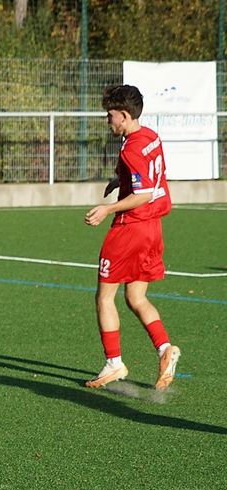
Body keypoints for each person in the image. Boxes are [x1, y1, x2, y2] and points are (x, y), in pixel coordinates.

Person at [84, 84, 180, 389]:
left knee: (104, 297)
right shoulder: (150, 136)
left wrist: (107, 209)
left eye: (110, 115)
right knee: (136, 297)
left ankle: (114, 363)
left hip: (130, 229)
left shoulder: (131, 148)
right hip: (153, 229)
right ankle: (164, 349)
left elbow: (143, 193)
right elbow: (147, 177)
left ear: (124, 115)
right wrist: (120, 179)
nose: (107, 120)